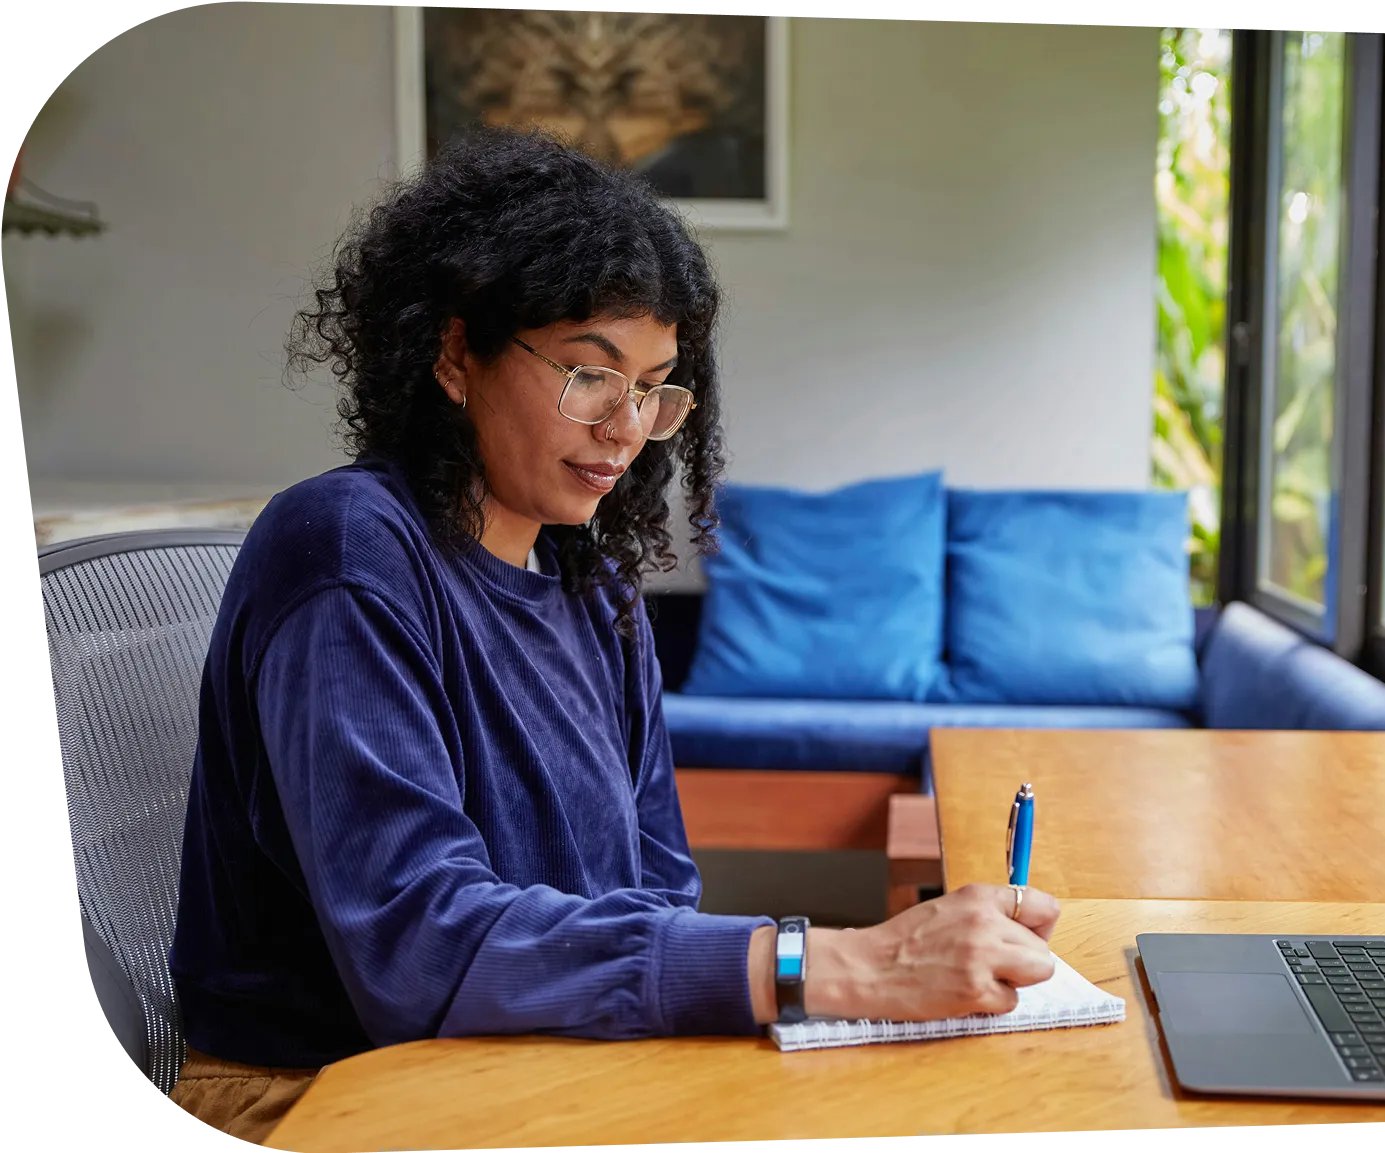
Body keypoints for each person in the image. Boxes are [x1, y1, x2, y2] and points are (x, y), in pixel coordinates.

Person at [164, 126, 1060, 1146]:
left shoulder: (592, 586)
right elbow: (420, 950)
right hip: (327, 1093)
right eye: (590, 374)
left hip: (534, 1063)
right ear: (455, 353)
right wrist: (837, 963)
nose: (626, 425)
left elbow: (655, 888)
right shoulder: (348, 551)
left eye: (653, 386)